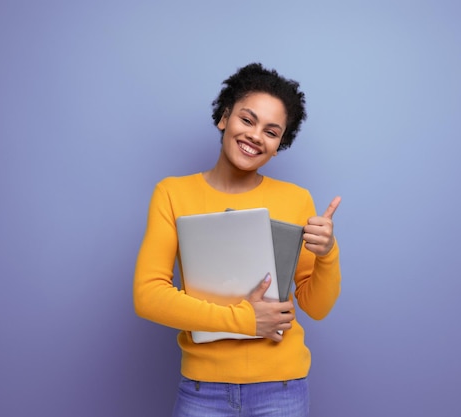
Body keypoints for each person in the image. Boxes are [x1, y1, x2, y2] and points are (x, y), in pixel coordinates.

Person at [133, 62, 342, 417]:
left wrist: (328, 253)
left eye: (272, 132)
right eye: (247, 120)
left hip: (282, 389)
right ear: (224, 118)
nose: (256, 136)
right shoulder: (172, 193)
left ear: (279, 145)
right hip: (202, 391)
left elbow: (317, 307)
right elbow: (148, 295)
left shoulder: (296, 199)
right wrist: (247, 320)